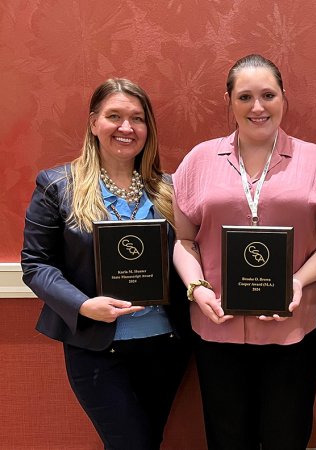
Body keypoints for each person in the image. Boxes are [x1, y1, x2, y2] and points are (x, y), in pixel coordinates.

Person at [172, 54, 316, 450]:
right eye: (245, 96)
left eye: (268, 94)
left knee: (285, 436)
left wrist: (298, 281)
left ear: (284, 98)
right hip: (216, 324)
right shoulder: (198, 161)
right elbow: (184, 240)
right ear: (229, 101)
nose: (257, 107)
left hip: (293, 328)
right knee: (225, 436)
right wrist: (197, 287)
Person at [21, 78, 192, 450]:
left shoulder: (170, 189)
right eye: (114, 116)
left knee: (150, 441)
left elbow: (191, 253)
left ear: (148, 128)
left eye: (137, 118)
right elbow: (36, 264)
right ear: (93, 123)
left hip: (166, 345)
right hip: (97, 348)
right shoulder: (57, 186)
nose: (126, 128)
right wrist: (84, 305)